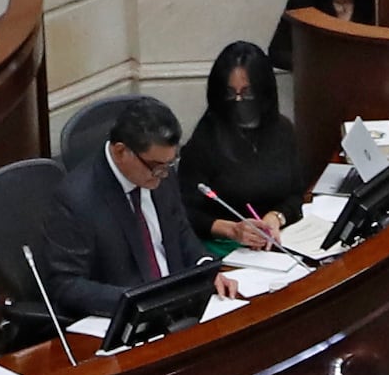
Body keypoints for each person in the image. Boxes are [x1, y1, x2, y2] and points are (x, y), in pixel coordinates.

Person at [55, 95, 259, 319]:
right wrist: (137, 300)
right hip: (131, 318)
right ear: (121, 152)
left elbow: (181, 232)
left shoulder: (159, 171)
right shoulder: (77, 198)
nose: (164, 174)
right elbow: (65, 284)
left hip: (180, 306)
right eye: (156, 167)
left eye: (170, 163)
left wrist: (206, 269)